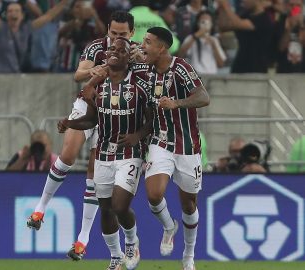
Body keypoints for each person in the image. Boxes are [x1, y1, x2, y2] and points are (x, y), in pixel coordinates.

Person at [26, 11, 138, 261]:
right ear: (107, 29)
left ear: (131, 33)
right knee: (67, 154)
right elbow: (78, 73)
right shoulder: (97, 47)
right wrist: (94, 72)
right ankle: (40, 208)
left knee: (95, 176)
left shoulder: (137, 53)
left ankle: (82, 239)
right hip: (89, 104)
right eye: (113, 33)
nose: (117, 38)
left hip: (116, 115)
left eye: (122, 34)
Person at [58, 37, 153, 270]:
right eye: (111, 48)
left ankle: (132, 241)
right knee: (106, 209)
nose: (114, 52)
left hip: (130, 152)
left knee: (120, 205)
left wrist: (137, 136)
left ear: (128, 57)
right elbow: (91, 118)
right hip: (103, 153)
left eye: (121, 50)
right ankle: (115, 257)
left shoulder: (140, 84)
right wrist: (70, 122)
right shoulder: (98, 85)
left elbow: (151, 120)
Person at [141, 27, 210, 270]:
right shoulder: (145, 72)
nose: (143, 46)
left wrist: (177, 103)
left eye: (147, 42)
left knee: (189, 205)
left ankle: (188, 257)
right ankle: (169, 226)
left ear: (162, 47)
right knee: (153, 194)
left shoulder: (181, 68)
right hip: (160, 142)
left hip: (188, 145)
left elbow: (204, 97)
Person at [0, 0, 68, 73]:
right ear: (6, 15)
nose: (13, 13)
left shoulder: (26, 29)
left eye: (17, 11)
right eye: (10, 11)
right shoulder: (0, 27)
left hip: (14, 73)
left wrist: (64, 2)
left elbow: (48, 16)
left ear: (22, 16)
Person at [216, 0, 274, 73]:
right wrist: (221, 8)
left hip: (256, 69)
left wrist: (226, 5)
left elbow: (238, 23)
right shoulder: (244, 15)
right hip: (239, 67)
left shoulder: (264, 19)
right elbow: (224, 26)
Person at [56, 0, 106, 72]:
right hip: (65, 67)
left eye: (82, 7)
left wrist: (94, 15)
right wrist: (78, 19)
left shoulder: (90, 26)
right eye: (77, 7)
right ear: (71, 10)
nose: (80, 10)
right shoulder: (65, 23)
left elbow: (102, 31)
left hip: (84, 69)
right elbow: (61, 32)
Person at [177, 10, 226, 74]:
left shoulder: (214, 40)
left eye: (208, 22)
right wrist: (196, 35)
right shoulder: (191, 38)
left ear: (212, 24)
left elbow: (221, 64)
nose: (205, 24)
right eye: (203, 22)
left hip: (211, 77)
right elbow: (180, 56)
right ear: (197, 23)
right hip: (195, 77)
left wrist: (214, 46)